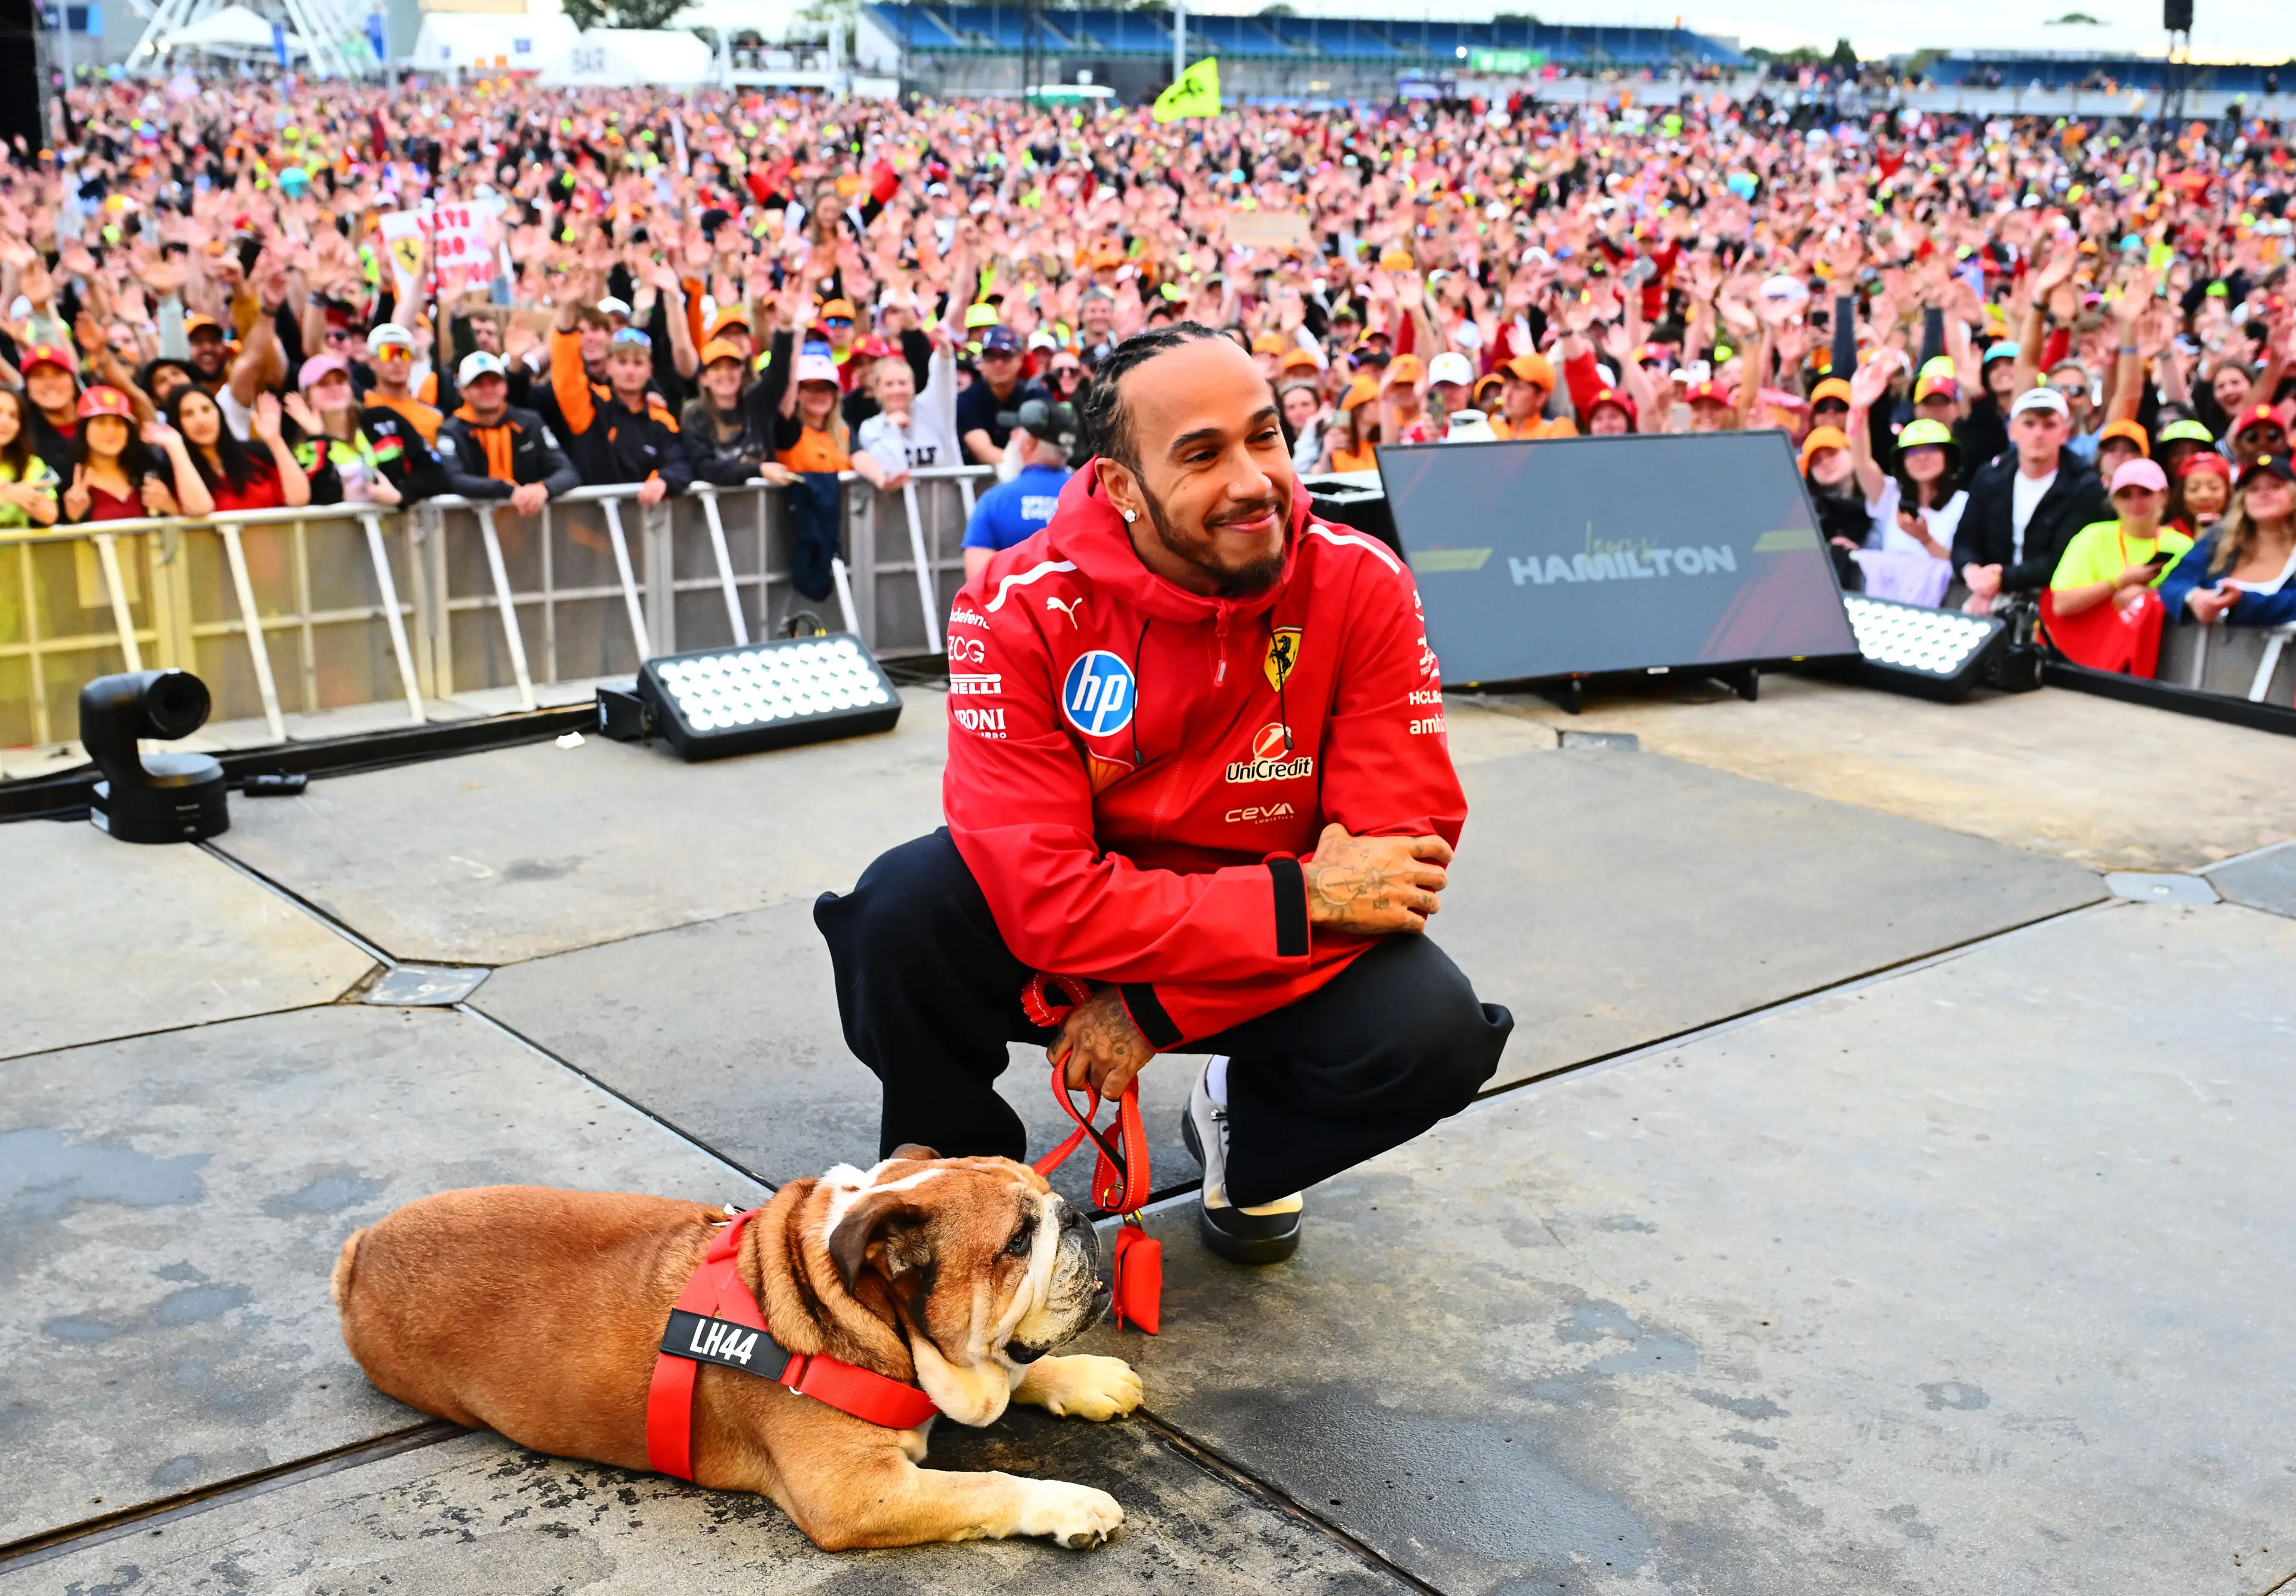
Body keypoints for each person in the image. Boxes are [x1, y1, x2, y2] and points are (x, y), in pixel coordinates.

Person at [814, 324, 1512, 1267]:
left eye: (1265, 436)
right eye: (1201, 454)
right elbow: (1044, 898)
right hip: (1190, 924)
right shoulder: (1015, 606)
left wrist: (1156, 1010)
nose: (1255, 479)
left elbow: (1397, 869)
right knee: (899, 911)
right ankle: (960, 1178)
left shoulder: (1363, 582)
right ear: (1120, 487)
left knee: (1433, 1032)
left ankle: (1244, 1121)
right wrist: (1297, 898)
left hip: (1230, 950)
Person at [1952, 387, 2109, 616]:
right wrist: (1972, 571)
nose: (2038, 434)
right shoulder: (1989, 476)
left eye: (2049, 425)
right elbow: (1965, 539)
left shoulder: (2085, 486)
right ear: (2012, 431)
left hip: (2055, 600)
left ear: (2065, 433)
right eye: (2029, 424)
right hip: (1990, 594)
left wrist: (2002, 578)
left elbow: (2062, 558)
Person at [549, 288, 691, 505]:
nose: (630, 371)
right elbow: (566, 376)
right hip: (589, 528)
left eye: (638, 363)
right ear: (609, 366)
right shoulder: (591, 404)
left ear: (649, 370)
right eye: (622, 362)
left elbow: (680, 462)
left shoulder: (662, 419)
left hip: (642, 525)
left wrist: (662, 480)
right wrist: (567, 310)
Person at [2046, 457, 2190, 624]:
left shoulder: (2183, 546)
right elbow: (2061, 604)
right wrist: (2117, 583)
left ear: (2165, 495)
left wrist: (2150, 594)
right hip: (2100, 644)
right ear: (2113, 501)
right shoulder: (2093, 537)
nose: (2136, 502)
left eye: (2146, 493)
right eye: (2125, 495)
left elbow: (2195, 599)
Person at [2160, 454, 2296, 628]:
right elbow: (2175, 581)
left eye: (2275, 486)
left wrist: (2240, 603)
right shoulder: (2219, 539)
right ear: (2243, 500)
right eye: (2253, 489)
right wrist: (2193, 597)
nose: (2263, 493)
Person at [437, 351, 581, 513]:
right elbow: (454, 479)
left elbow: (568, 472)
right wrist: (508, 490)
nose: (488, 389)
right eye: (478, 384)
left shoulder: (530, 422)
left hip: (529, 525)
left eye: (494, 382)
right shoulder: (450, 431)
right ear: (463, 391)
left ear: (505, 386)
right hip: (472, 529)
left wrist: (543, 489)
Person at [960, 398, 1074, 582]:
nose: (1011, 438)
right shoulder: (1090, 496)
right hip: (1076, 608)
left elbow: (978, 584)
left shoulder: (995, 502)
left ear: (1028, 444)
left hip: (1015, 608)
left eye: (1016, 433)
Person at [165, 385, 309, 515]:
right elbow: (201, 509)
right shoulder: (177, 472)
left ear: (219, 413)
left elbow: (299, 499)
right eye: (188, 414)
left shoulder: (256, 453)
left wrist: (275, 441)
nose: (201, 420)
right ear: (177, 423)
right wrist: (176, 449)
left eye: (206, 409)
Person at [62, 387, 191, 524]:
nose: (110, 431)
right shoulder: (66, 480)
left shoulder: (148, 472)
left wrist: (169, 506)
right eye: (100, 422)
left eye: (118, 423)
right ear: (84, 429)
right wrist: (71, 519)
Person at [958, 326, 1045, 465]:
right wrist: (1020, 468)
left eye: (1006, 355)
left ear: (1020, 359)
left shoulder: (1037, 395)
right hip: (982, 484)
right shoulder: (966, 400)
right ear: (981, 361)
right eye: (990, 356)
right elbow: (983, 451)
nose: (998, 363)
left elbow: (1046, 445)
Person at [0, 389, 61, 530]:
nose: (5, 421)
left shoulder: (32, 464)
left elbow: (50, 515)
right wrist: (4, 496)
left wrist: (25, 498)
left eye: (13, 416)